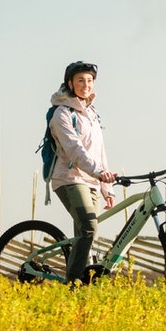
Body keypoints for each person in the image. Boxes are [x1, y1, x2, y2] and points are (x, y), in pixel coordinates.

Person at [48, 60, 118, 283]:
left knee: (86, 232)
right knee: (89, 226)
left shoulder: (92, 114)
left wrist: (107, 186)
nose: (85, 85)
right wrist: (99, 173)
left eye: (89, 81)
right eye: (80, 80)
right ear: (70, 83)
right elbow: (74, 149)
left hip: (92, 181)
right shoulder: (62, 113)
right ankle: (75, 283)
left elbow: (100, 151)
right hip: (68, 179)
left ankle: (82, 281)